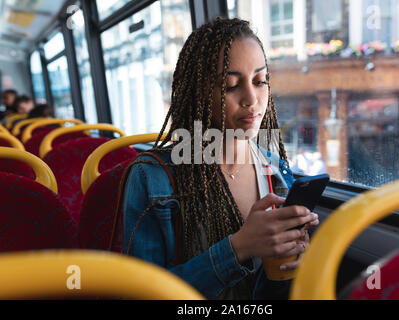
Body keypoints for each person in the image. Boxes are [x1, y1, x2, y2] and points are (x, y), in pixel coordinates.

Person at [119, 18, 319, 300]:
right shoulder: (152, 178)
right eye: (230, 86)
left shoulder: (276, 170)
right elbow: (139, 293)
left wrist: (292, 264)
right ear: (198, 93)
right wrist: (238, 249)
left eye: (260, 81)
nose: (252, 99)